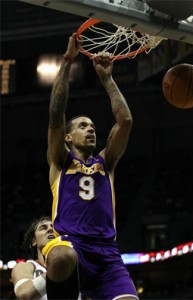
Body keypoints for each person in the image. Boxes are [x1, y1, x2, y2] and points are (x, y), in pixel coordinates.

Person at [42, 33, 139, 300]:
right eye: (83, 126)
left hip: (107, 253)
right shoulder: (61, 161)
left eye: (93, 127)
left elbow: (126, 121)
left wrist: (107, 79)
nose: (91, 130)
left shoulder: (105, 162)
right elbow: (55, 113)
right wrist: (67, 60)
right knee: (60, 255)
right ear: (68, 137)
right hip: (74, 247)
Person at [11, 216, 54, 300]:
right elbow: (24, 294)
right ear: (34, 241)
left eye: (53, 227)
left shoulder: (76, 266)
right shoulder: (26, 266)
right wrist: (58, 267)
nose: (50, 229)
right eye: (43, 228)